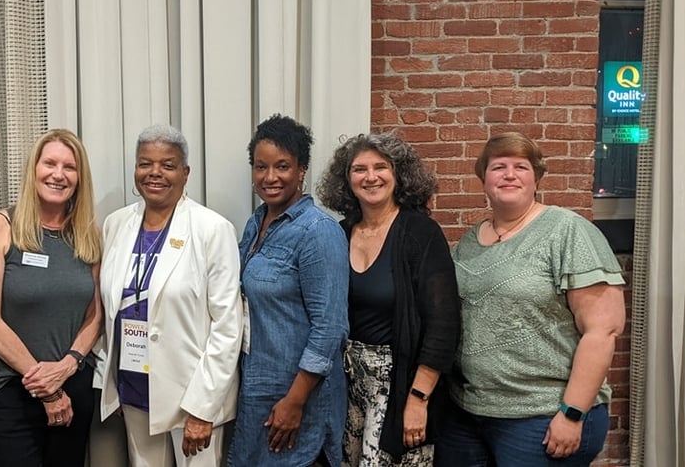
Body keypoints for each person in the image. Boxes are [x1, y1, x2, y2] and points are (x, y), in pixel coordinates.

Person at [434, 132, 626, 467]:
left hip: (542, 414)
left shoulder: (567, 231)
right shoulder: (468, 243)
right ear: (483, 180)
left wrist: (572, 414)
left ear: (536, 178)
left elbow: (603, 331)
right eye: (498, 167)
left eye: (520, 166)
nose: (509, 174)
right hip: (468, 412)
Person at [99, 124, 242, 466]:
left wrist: (203, 408)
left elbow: (227, 327)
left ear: (185, 172)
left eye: (167, 164)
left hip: (189, 395)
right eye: (145, 163)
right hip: (134, 388)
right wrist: (114, 387)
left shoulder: (212, 229)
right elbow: (110, 310)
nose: (155, 173)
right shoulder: (116, 225)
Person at [318, 133, 460, 466]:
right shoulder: (340, 232)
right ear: (346, 178)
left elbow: (444, 325)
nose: (370, 177)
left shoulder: (419, 233)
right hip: (348, 385)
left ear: (399, 175)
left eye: (381, 167)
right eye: (359, 169)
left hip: (399, 387)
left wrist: (418, 399)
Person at [0, 129, 103, 467]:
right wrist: (46, 386)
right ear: (34, 169)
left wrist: (67, 366)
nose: (58, 174)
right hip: (11, 390)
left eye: (69, 167)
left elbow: (96, 316)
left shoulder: (89, 235)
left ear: (79, 178)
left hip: (73, 384)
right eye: (50, 164)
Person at [228, 114, 349, 467]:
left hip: (299, 398)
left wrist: (295, 401)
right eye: (260, 166)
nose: (270, 177)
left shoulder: (318, 232)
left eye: (282, 166)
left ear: (302, 170)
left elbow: (330, 328)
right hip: (258, 389)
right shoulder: (256, 223)